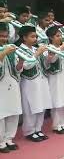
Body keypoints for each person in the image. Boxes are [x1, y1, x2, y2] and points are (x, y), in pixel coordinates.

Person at [19, 26, 52, 142]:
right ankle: (29, 131)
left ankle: (38, 129)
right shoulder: (20, 50)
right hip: (29, 82)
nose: (35, 39)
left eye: (36, 36)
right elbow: (26, 66)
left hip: (41, 80)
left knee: (41, 106)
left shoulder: (35, 49)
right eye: (32, 36)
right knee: (30, 107)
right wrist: (37, 53)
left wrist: (49, 57)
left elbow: (46, 66)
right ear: (24, 38)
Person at [0, 22, 24, 153]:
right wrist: (4, 52)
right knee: (1, 114)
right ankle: (1, 142)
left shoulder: (11, 47)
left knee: (13, 112)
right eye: (1, 36)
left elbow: (18, 70)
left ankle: (9, 138)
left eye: (5, 36)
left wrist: (21, 61)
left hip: (13, 84)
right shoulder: (6, 49)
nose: (4, 39)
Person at [45, 26, 64, 134]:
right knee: (58, 101)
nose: (60, 37)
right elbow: (50, 61)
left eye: (60, 35)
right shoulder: (48, 48)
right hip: (55, 78)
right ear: (51, 38)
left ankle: (63, 124)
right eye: (57, 36)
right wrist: (61, 48)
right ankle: (56, 125)